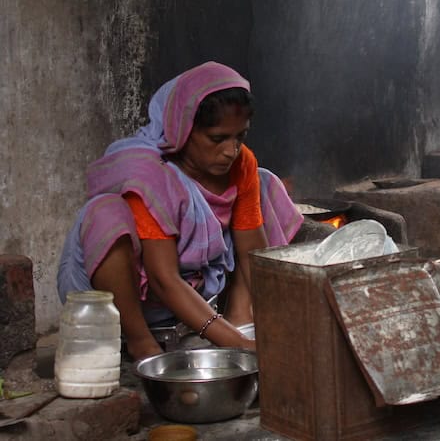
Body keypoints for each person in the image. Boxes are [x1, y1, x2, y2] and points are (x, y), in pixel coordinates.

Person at [56, 61, 303, 359]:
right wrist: (237, 346)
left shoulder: (240, 163)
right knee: (106, 214)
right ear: (183, 130)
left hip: (194, 294)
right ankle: (140, 342)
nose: (231, 150)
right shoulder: (148, 174)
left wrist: (281, 329)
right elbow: (163, 280)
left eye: (240, 136)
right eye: (217, 138)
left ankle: (240, 315)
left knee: (265, 181)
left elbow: (254, 256)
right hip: (130, 299)